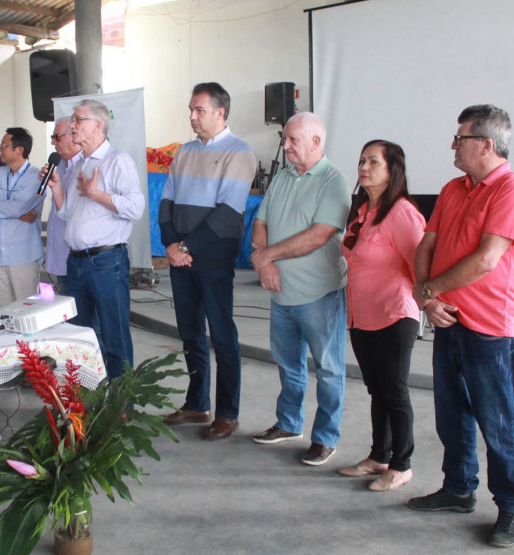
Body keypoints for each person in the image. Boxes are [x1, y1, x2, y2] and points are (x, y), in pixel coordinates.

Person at [408, 105, 514, 548]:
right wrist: (425, 294)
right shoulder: (453, 188)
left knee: (496, 422)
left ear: (485, 143)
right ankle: (459, 489)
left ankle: (510, 507)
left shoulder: (512, 192)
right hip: (448, 321)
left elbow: (486, 260)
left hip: (490, 330)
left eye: (459, 138)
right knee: (451, 415)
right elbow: (427, 242)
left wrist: (431, 290)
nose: (452, 146)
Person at [249, 112, 350, 466]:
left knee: (328, 368)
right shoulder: (282, 177)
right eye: (286, 139)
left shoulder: (333, 181)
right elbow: (259, 221)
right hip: (281, 293)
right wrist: (268, 263)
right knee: (288, 364)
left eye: (293, 140)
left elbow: (319, 235)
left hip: (319, 294)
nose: (286, 146)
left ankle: (325, 437)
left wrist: (264, 257)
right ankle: (290, 424)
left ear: (316, 143)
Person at [159, 83, 257, 441]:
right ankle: (197, 403)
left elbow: (228, 213)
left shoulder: (240, 152)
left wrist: (185, 246)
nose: (192, 116)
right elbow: (166, 200)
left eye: (199, 110)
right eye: (191, 109)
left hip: (212, 259)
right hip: (180, 258)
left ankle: (227, 413)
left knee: (222, 334)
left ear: (221, 112)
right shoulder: (185, 151)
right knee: (189, 334)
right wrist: (171, 243)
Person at [337, 140, 425, 491]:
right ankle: (379, 456)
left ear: (393, 171)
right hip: (361, 315)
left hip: (394, 314)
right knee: (378, 391)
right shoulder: (362, 212)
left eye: (374, 161)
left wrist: (430, 302)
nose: (364, 167)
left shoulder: (402, 213)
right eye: (361, 160)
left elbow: (421, 264)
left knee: (395, 391)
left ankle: (402, 464)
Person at [42, 99, 146, 380]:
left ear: (97, 125)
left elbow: (136, 208)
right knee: (81, 336)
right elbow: (67, 214)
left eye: (77, 120)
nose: (71, 125)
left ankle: (122, 408)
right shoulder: (81, 165)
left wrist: (97, 194)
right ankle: (93, 399)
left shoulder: (117, 160)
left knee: (115, 336)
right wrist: (56, 189)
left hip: (105, 261)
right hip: (75, 263)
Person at [0, 127, 45, 308]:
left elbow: (17, 207)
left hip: (22, 254)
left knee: (27, 310)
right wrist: (14, 213)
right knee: (1, 311)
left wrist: (3, 209)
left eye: (4, 145)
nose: (0, 149)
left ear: (19, 149)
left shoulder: (36, 177)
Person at [45, 117, 84, 294]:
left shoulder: (87, 165)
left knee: (86, 317)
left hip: (81, 255)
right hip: (61, 252)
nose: (53, 142)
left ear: (72, 136)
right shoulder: (58, 164)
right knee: (68, 313)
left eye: (57, 137)